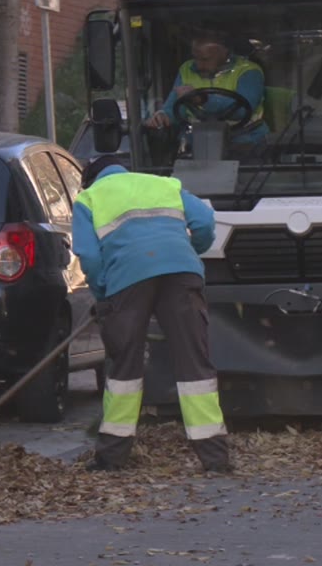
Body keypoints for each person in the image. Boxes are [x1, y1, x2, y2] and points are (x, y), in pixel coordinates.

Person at [71, 154, 232, 473]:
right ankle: (216, 458)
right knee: (194, 362)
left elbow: (89, 255)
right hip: (182, 273)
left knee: (125, 366)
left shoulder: (88, 199)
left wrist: (104, 294)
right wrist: (186, 252)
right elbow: (204, 222)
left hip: (127, 277)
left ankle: (112, 457)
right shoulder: (164, 184)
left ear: (90, 180)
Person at [145, 27, 269, 153]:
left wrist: (204, 100)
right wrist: (163, 116)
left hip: (245, 141)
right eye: (196, 58)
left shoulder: (248, 71)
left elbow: (243, 110)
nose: (199, 65)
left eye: (205, 59)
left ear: (225, 53)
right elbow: (176, 106)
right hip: (197, 142)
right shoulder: (187, 69)